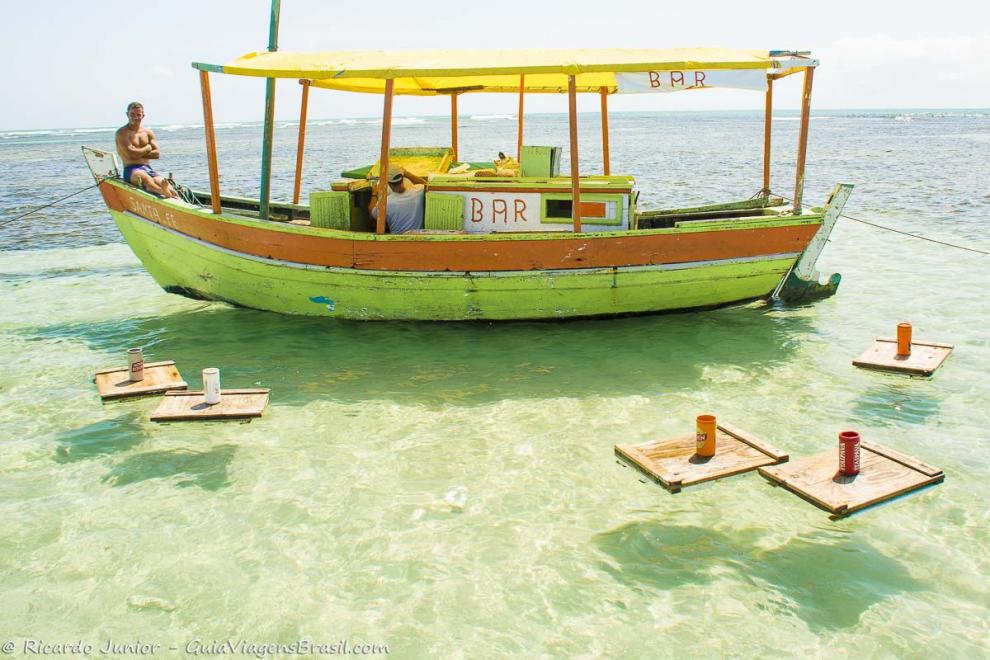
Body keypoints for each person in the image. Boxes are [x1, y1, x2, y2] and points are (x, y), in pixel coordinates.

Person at [115, 102, 177, 198]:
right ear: (127, 114)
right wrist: (147, 148)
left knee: (163, 182)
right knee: (147, 180)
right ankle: (163, 192)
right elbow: (131, 155)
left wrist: (136, 152)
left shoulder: (147, 132)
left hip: (147, 168)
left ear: (143, 116)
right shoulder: (122, 133)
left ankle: (173, 195)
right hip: (132, 170)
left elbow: (156, 154)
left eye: (138, 115)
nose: (135, 117)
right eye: (132, 114)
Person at [368, 165, 426, 234]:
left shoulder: (386, 202)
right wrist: (407, 174)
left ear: (389, 183)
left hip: (396, 240)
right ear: (403, 179)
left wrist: (374, 193)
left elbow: (372, 212)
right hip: (417, 238)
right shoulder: (418, 193)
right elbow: (426, 184)